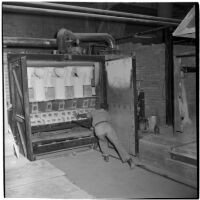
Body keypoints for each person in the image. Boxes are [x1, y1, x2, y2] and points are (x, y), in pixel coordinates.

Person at [74, 104, 135, 169]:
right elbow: (108, 120)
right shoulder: (106, 113)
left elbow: (86, 115)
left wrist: (78, 115)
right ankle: (129, 160)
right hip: (107, 127)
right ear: (106, 108)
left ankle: (106, 156)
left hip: (98, 129)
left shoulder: (94, 111)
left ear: (100, 107)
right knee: (117, 143)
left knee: (102, 141)